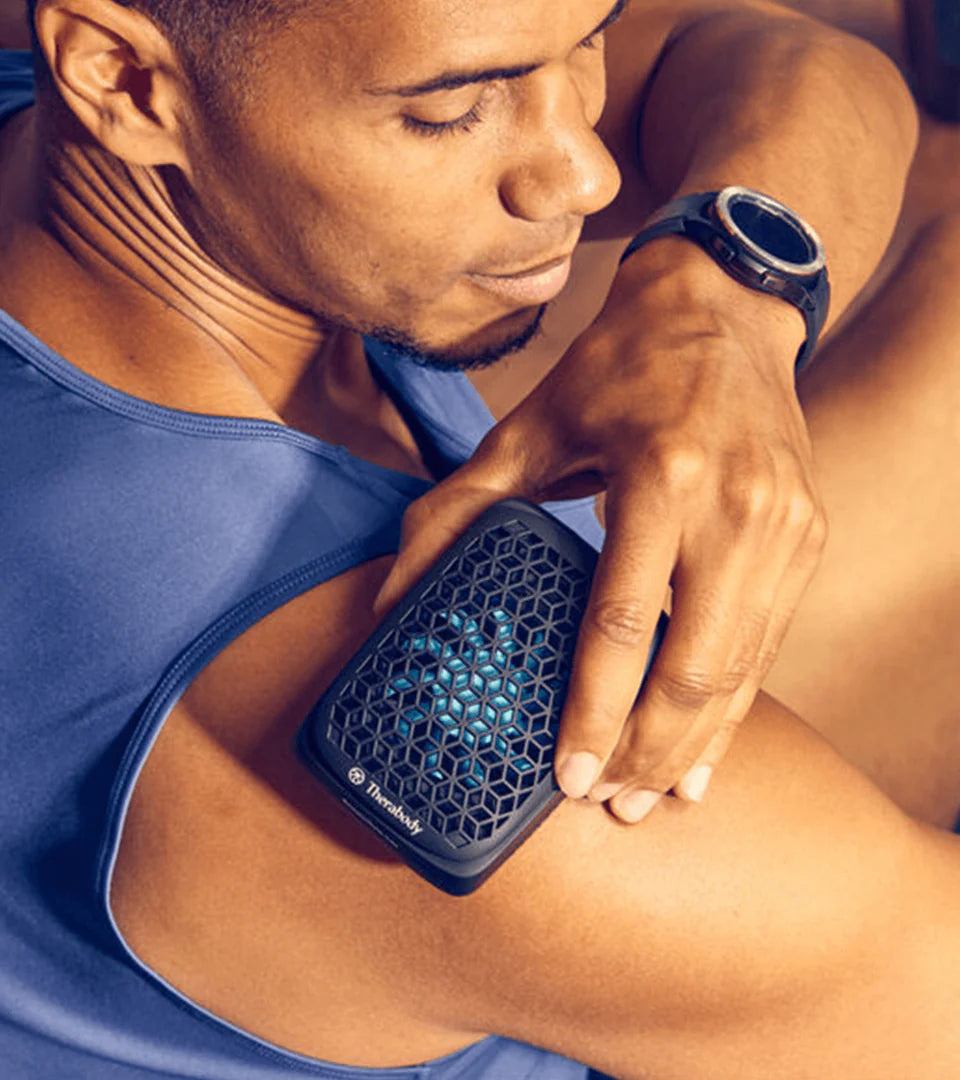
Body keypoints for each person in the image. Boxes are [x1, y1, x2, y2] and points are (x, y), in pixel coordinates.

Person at [1, 1, 960, 1078]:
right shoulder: (391, 722)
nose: (585, 172)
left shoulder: (46, 135)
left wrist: (723, 298)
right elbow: (932, 1000)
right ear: (123, 77)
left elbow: (783, 56)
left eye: (589, 39)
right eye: (455, 110)